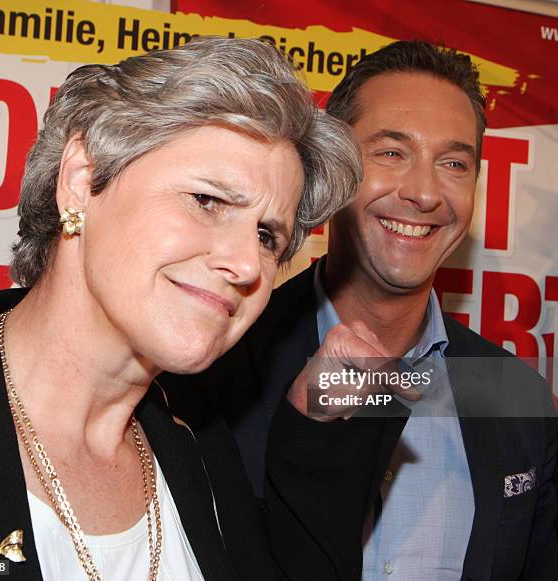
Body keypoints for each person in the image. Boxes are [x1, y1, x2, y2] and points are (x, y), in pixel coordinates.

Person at [0, 36, 398, 581]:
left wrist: (317, 426)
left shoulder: (197, 448)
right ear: (81, 181)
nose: (247, 265)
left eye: (266, 235)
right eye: (207, 201)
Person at [181, 41, 558, 580]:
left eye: (453, 163)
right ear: (332, 168)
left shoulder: (515, 396)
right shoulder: (216, 364)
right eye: (391, 153)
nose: (425, 193)